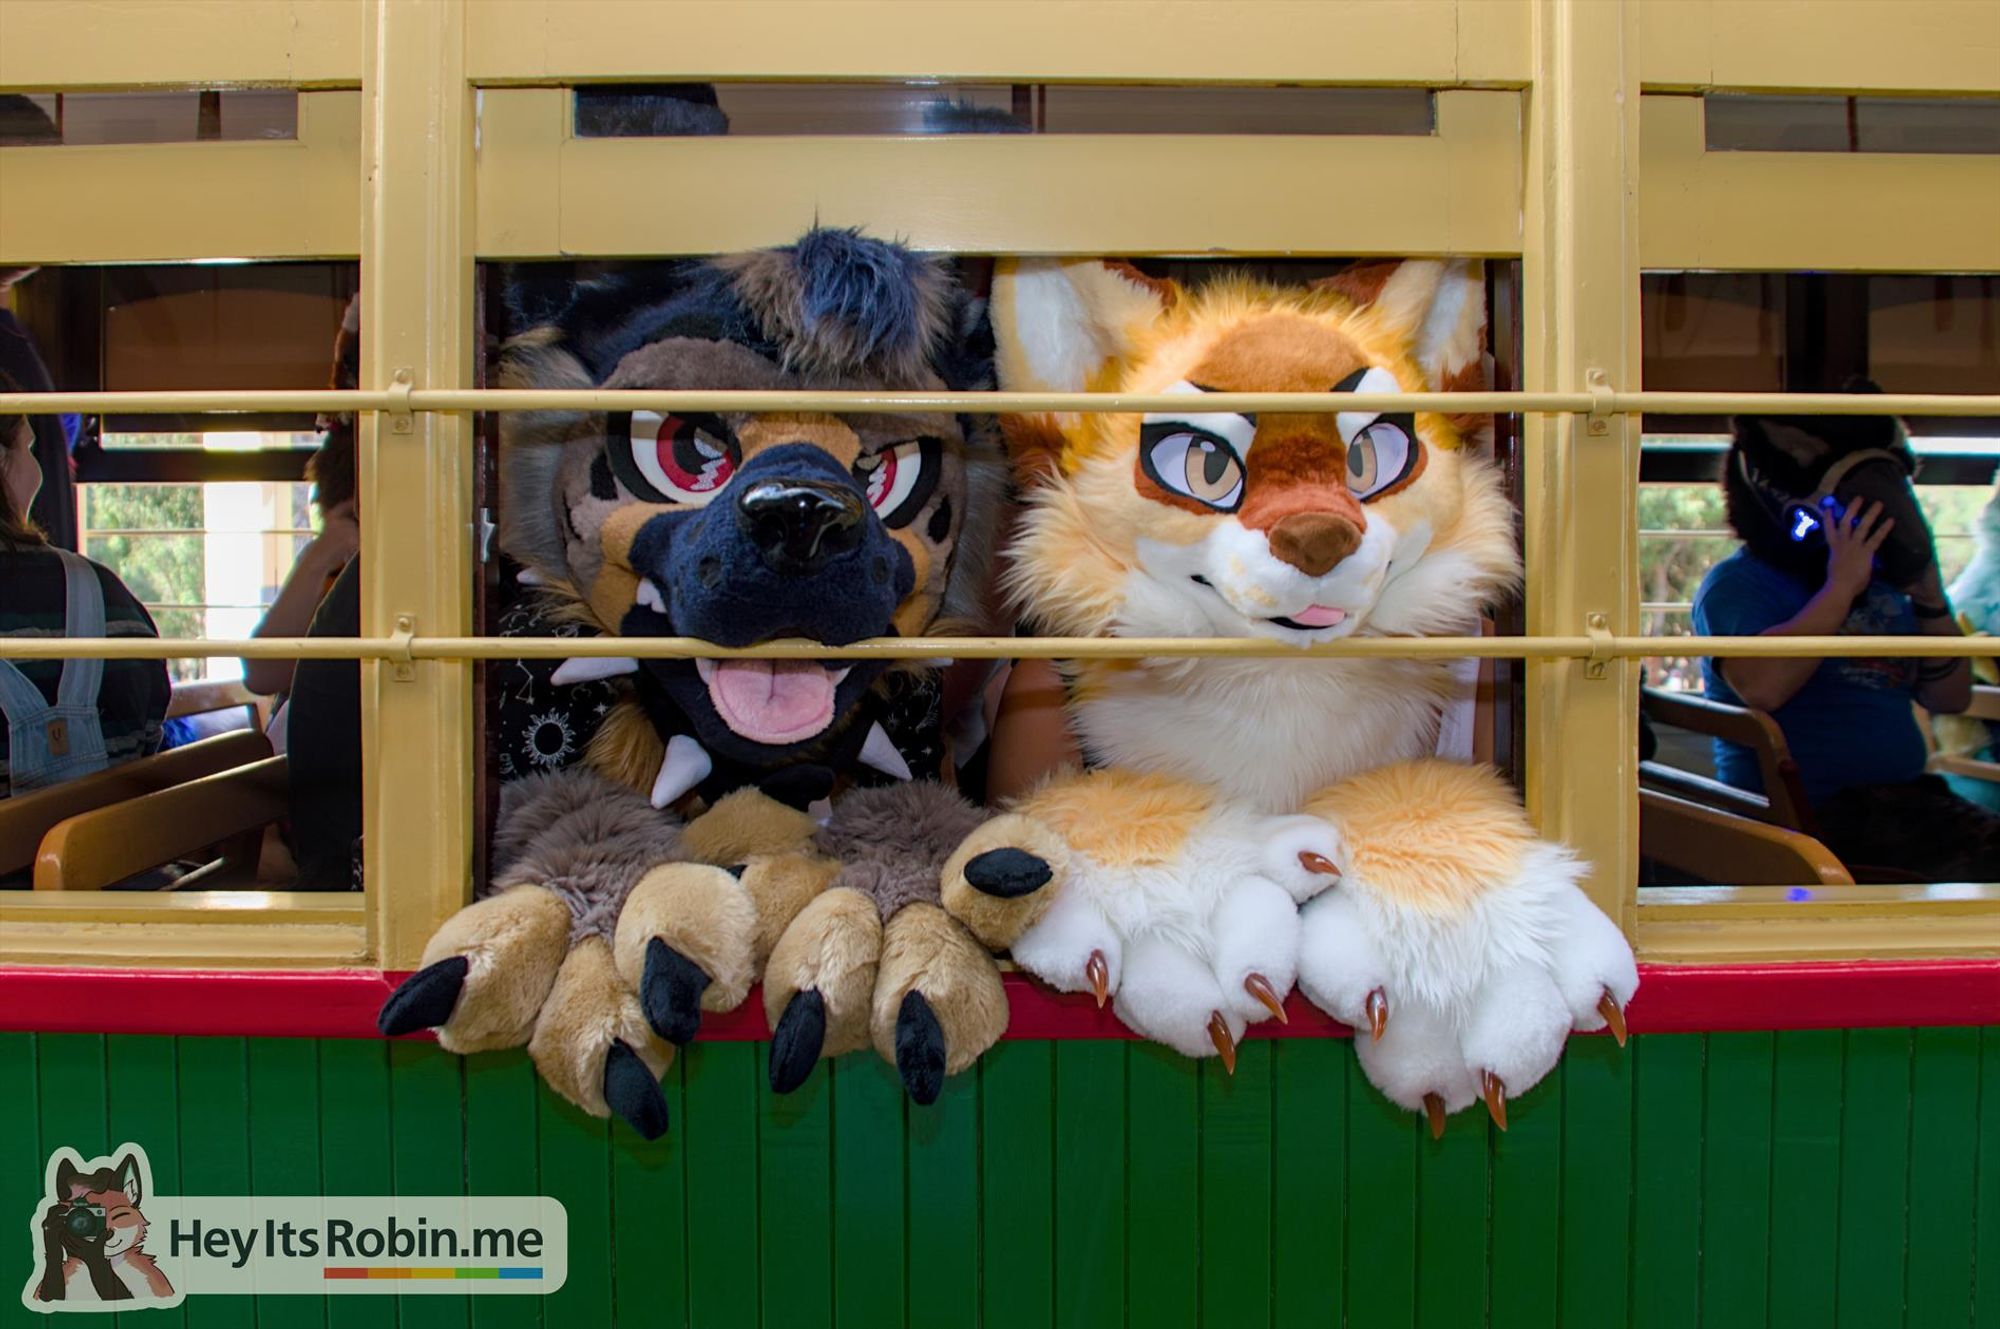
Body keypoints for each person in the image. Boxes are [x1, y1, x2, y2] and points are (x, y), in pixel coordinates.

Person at [1692, 405, 2000, 880]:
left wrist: (1931, 598)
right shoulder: (1739, 585)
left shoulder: (1886, 589)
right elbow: (1764, 688)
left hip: (1904, 802)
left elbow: (1950, 697)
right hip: (1817, 817)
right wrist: (1840, 590)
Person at [0, 373, 169, 797]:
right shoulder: (107, 597)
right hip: (119, 860)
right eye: (30, 450)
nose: (38, 471)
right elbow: (148, 740)